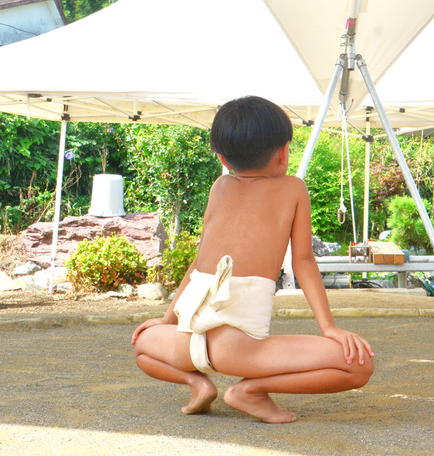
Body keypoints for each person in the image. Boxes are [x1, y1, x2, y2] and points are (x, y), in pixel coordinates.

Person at [131, 96, 374, 423]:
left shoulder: (219, 187)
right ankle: (250, 391)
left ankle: (196, 383)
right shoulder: (293, 189)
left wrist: (165, 321)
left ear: (222, 158)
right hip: (240, 351)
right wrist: (328, 328)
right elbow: (303, 262)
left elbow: (200, 263)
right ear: (284, 152)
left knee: (142, 345)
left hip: (184, 344)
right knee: (359, 366)